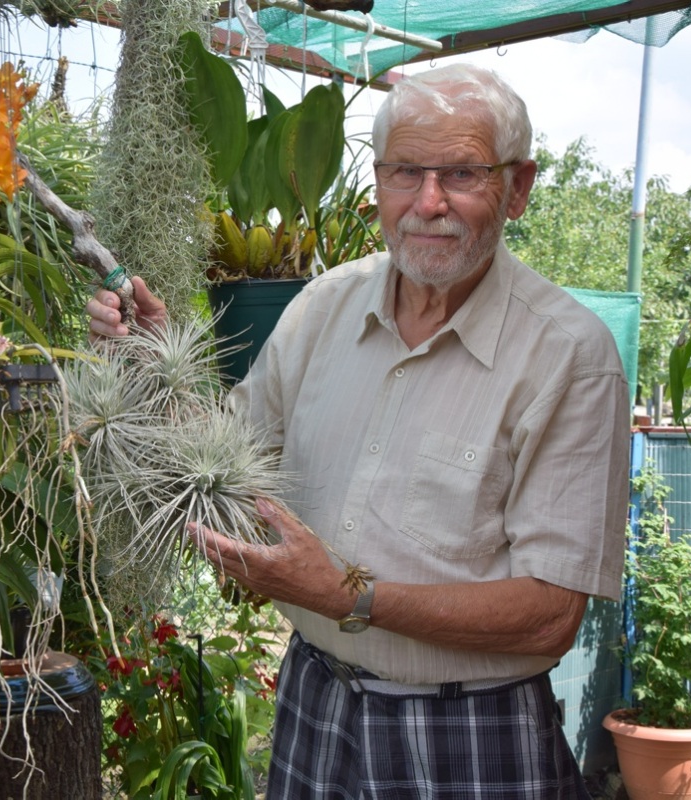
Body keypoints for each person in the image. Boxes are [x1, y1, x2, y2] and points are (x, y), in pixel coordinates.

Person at [87, 63, 629, 800]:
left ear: (519, 187)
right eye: (406, 171)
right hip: (318, 703)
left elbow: (548, 617)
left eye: (462, 174)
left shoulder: (569, 356)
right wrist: (155, 358)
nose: (427, 203)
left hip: (467, 732)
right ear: (378, 180)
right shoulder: (323, 309)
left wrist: (351, 595)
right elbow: (221, 456)